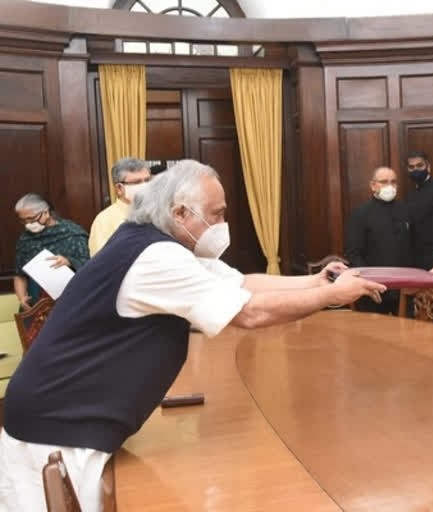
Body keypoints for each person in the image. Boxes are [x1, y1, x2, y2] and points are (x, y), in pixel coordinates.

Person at [0, 160, 386, 512]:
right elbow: (249, 313)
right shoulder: (155, 256)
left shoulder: (159, 243)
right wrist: (332, 296)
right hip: (56, 430)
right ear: (180, 213)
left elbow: (243, 283)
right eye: (217, 215)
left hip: (63, 418)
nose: (222, 224)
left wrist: (313, 281)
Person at [345, 166, 412, 314]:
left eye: (393, 182)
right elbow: (354, 253)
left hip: (404, 290)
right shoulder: (361, 213)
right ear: (373, 185)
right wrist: (368, 283)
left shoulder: (405, 209)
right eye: (384, 182)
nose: (390, 186)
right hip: (373, 290)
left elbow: (412, 246)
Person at [14, 193, 89, 311]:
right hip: (37, 305)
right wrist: (22, 298)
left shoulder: (72, 232)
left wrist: (69, 261)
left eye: (31, 219)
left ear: (46, 212)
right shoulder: (25, 239)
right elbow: (19, 274)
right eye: (23, 221)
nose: (28, 224)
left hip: (70, 302)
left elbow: (90, 265)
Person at [89, 157, 152, 256]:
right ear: (119, 188)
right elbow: (102, 262)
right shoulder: (104, 220)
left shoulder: (159, 212)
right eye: (137, 182)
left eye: (148, 180)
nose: (145, 186)